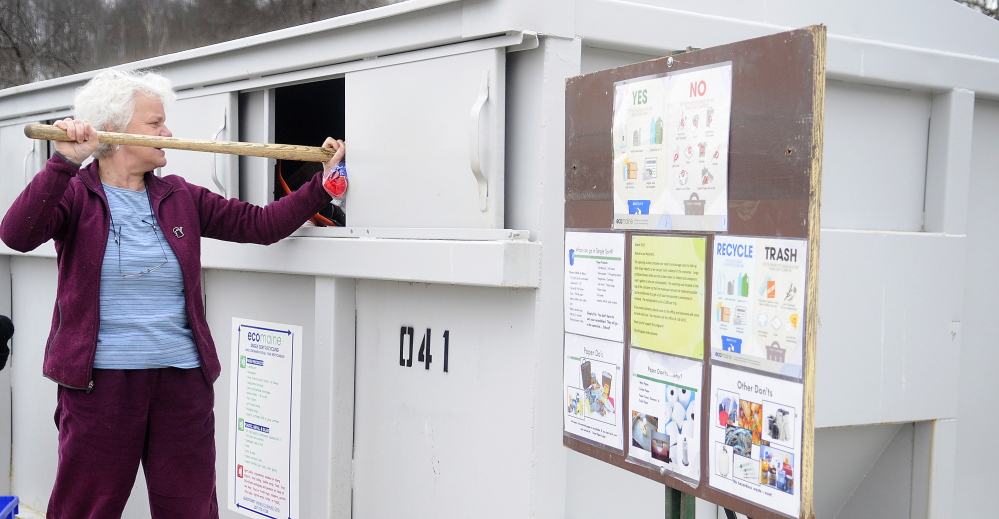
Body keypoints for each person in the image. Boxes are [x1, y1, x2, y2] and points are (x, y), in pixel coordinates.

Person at [0, 68, 345, 519]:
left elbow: (261, 225)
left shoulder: (182, 196)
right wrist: (63, 161)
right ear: (115, 132)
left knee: (191, 510)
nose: (168, 133)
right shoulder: (75, 195)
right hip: (99, 387)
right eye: (154, 123)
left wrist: (323, 184)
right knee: (85, 509)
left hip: (183, 384)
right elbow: (17, 234)